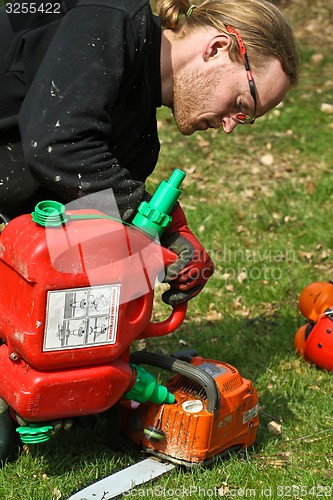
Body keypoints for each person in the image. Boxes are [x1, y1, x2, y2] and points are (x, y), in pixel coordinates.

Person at [0, 0, 301, 305]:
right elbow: (57, 144)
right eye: (240, 104)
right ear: (217, 48)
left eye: (244, 119)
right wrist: (162, 220)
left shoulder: (138, 146)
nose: (228, 127)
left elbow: (74, 245)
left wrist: (161, 249)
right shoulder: (110, 15)